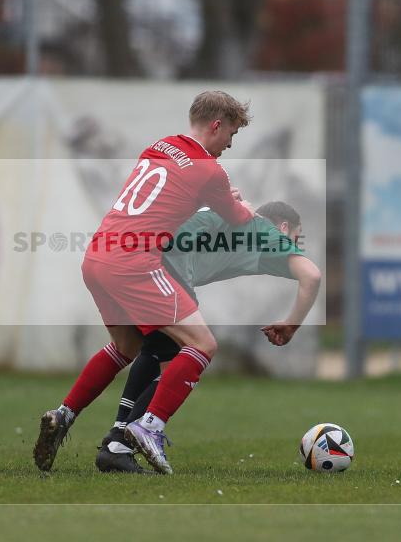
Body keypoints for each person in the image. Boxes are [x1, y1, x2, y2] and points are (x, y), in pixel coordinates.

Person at [34, 91, 254, 475]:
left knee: (126, 347)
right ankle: (149, 426)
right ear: (216, 125)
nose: (230, 145)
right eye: (231, 134)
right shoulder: (210, 170)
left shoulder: (159, 147)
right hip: (133, 263)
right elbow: (237, 218)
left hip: (98, 257)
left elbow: (163, 207)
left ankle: (65, 414)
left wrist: (213, 203)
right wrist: (243, 208)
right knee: (202, 344)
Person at [95, 201, 322, 473]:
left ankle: (91, 426)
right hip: (158, 269)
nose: (294, 246)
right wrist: (292, 325)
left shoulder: (237, 225)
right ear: (284, 227)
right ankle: (139, 431)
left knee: (151, 350)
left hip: (129, 257)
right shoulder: (268, 233)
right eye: (296, 237)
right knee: (194, 350)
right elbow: (312, 276)